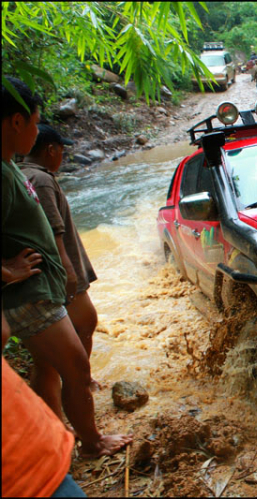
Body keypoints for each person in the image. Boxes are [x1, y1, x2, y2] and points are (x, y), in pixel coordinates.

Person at [2, 76, 133, 458]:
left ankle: (55, 435)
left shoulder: (10, 165)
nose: (36, 131)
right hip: (30, 296)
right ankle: (92, 443)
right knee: (76, 370)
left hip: (34, 293)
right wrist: (8, 271)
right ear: (15, 122)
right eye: (34, 121)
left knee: (52, 367)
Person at [19, 124, 101, 392]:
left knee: (47, 357)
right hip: (59, 272)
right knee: (85, 322)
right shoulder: (40, 180)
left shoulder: (22, 174)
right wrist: (68, 269)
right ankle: (78, 383)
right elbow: (54, 229)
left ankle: (71, 386)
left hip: (46, 275)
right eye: (62, 151)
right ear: (51, 149)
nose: (62, 157)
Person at [2, 311, 87, 497]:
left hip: (36, 459)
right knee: (68, 366)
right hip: (30, 473)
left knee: (50, 364)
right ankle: (92, 442)